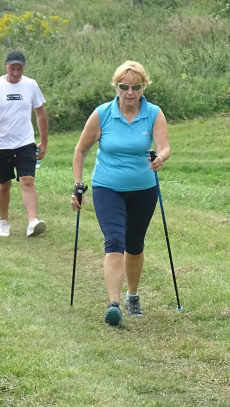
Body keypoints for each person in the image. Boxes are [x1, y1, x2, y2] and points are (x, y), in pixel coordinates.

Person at [71, 61, 171, 325]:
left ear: (143, 87)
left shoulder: (153, 113)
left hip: (143, 188)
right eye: (124, 87)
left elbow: (164, 147)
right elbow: (80, 150)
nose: (130, 92)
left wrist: (160, 158)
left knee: (135, 244)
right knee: (114, 240)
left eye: (136, 87)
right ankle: (113, 303)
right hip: (108, 187)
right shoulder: (102, 114)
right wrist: (78, 184)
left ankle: (133, 295)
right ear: (116, 86)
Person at [0, 50, 49, 238]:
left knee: (27, 180)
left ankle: (32, 223)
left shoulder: (31, 85)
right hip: (1, 144)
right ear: (6, 65)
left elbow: (40, 113)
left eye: (19, 69)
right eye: (12, 68)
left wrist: (43, 142)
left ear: (24, 67)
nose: (16, 73)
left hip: (25, 142)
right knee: (4, 184)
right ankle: (4, 222)